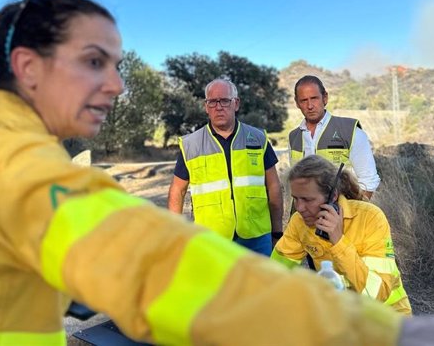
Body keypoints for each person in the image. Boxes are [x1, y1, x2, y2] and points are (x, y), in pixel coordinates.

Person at [0, 0, 434, 346]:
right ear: (28, 67)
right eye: (92, 62)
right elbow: (153, 265)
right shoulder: (12, 166)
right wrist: (382, 332)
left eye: (116, 64)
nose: (116, 86)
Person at [272, 155, 411, 315]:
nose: (300, 208)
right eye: (296, 199)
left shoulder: (370, 217)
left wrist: (338, 242)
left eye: (307, 199)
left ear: (333, 196)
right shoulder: (299, 221)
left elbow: (376, 295)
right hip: (343, 315)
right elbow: (275, 272)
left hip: (387, 316)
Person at [167, 78, 284, 256]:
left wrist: (277, 231)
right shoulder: (191, 145)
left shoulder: (258, 138)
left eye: (225, 100)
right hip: (211, 240)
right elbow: (177, 191)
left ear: (236, 103)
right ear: (206, 106)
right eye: (212, 102)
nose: (218, 107)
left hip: (257, 238)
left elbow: (274, 186)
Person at [290, 75, 380, 200]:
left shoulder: (350, 131)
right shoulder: (293, 138)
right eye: (304, 100)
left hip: (343, 215)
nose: (310, 105)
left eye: (314, 98)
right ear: (297, 103)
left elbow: (369, 181)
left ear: (325, 98)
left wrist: (353, 214)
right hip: (306, 216)